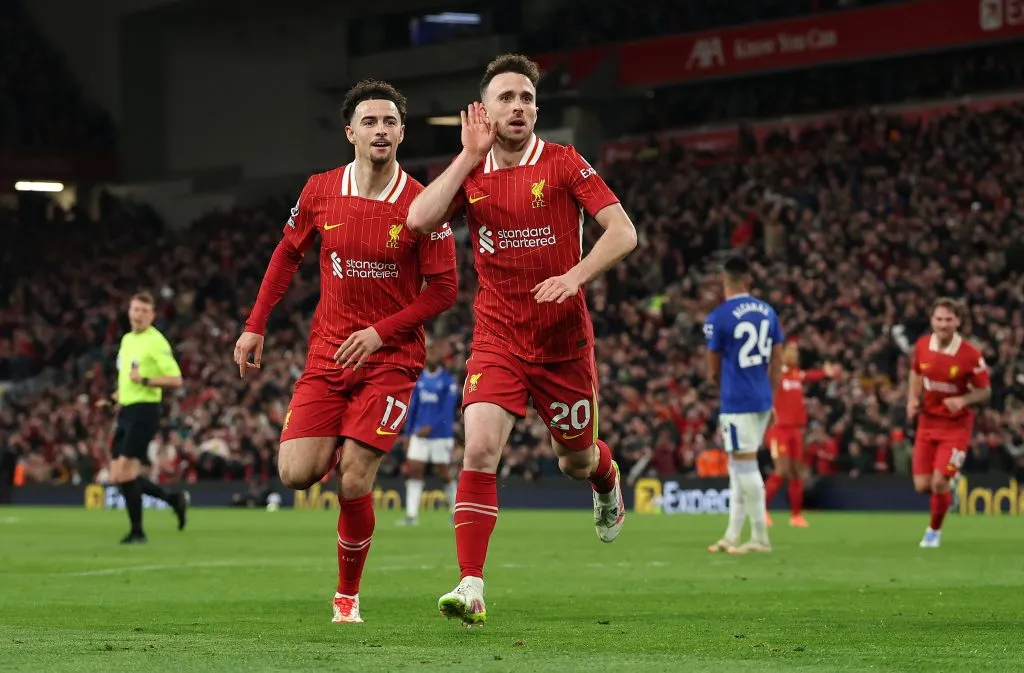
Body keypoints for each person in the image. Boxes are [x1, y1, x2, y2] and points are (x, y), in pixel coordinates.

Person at [406, 53, 638, 627]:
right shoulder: (472, 172)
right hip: (498, 337)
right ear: (484, 110)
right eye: (506, 98)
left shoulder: (563, 163)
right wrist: (466, 155)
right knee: (480, 448)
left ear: (537, 110)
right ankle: (471, 585)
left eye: (527, 99)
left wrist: (575, 275)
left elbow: (624, 232)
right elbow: (416, 220)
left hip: (562, 342)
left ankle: (606, 479)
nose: (518, 107)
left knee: (575, 461)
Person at [233, 80, 458, 623]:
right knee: (294, 473)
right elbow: (287, 255)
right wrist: (255, 325)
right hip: (328, 355)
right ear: (350, 132)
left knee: (355, 479)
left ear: (402, 132)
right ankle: (340, 440)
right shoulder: (319, 190)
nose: (380, 130)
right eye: (370, 122)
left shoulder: (424, 203)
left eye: (390, 122)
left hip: (392, 360)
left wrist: (381, 332)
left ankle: (346, 598)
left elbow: (445, 290)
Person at [704, 257, 783, 555]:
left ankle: (760, 538)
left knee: (745, 466)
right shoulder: (768, 312)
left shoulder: (719, 317)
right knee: (737, 467)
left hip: (738, 400)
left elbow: (713, 370)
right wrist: (769, 396)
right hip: (762, 398)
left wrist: (724, 390)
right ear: (748, 280)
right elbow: (777, 361)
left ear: (725, 281)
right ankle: (732, 535)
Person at [907, 297, 990, 549]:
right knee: (922, 485)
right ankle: (947, 491)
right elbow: (916, 372)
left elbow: (984, 391)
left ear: (958, 322)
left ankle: (933, 531)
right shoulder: (922, 346)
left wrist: (963, 400)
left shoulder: (970, 355)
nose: (943, 324)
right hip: (927, 422)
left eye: (948, 320)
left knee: (938, 482)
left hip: (956, 426)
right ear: (932, 320)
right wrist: (912, 399)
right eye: (939, 319)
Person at [108, 292, 189, 544]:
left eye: (144, 310)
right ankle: (172, 499)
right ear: (129, 312)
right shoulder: (127, 340)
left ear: (152, 316)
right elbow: (126, 379)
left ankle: (137, 531)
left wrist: (144, 380)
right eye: (135, 309)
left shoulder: (157, 342)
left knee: (126, 471)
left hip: (144, 410)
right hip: (126, 409)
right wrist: (113, 399)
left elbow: (176, 379)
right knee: (117, 475)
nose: (139, 314)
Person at [762, 338, 841, 528]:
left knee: (797, 473)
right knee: (781, 470)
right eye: (792, 351)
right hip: (779, 430)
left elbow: (811, 375)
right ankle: (761, 510)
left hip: (797, 430)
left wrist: (826, 373)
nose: (795, 355)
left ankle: (796, 515)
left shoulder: (796, 374)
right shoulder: (776, 375)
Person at [398, 340, 460, 526]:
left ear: (440, 357)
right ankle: (411, 516)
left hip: (440, 435)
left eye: (434, 352)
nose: (431, 355)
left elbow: (447, 411)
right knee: (415, 471)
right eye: (428, 352)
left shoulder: (447, 381)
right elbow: (413, 407)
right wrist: (408, 434)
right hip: (419, 434)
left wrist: (431, 426)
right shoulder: (419, 380)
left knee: (442, 472)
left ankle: (455, 512)